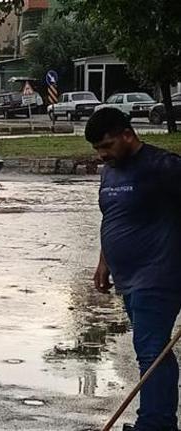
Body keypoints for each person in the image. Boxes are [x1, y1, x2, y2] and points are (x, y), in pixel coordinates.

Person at [88, 107, 181, 431]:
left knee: (152, 349)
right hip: (128, 278)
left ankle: (155, 424)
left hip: (160, 274)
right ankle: (159, 421)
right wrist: (104, 262)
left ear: (128, 135)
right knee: (151, 349)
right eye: (98, 149)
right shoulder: (110, 171)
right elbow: (113, 217)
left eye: (107, 146)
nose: (102, 155)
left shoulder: (163, 167)